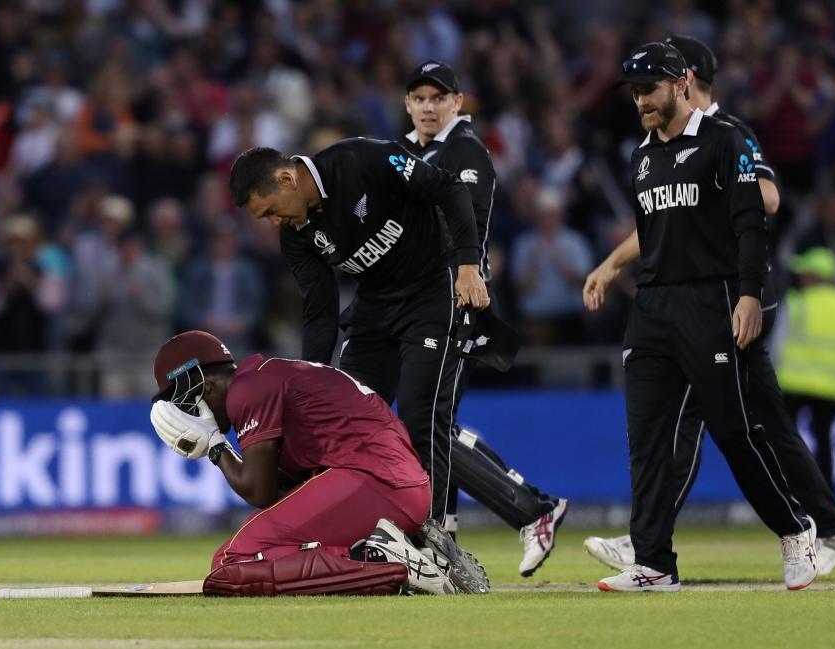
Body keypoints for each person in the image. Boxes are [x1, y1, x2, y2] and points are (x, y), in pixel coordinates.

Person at [583, 36, 835, 579]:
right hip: (654, 305)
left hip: (713, 300)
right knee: (647, 435)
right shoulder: (643, 156)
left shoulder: (725, 137)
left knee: (736, 431)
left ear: (682, 82)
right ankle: (653, 561)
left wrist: (749, 294)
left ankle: (797, 527)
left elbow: (754, 216)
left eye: (649, 89)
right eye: (634, 92)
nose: (639, 100)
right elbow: (658, 229)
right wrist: (612, 264)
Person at [227, 139, 488, 540]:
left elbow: (449, 188)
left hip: (430, 293)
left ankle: (433, 541)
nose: (273, 222)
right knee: (344, 418)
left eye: (271, 211)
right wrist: (309, 378)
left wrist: (468, 264)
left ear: (286, 178)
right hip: (373, 309)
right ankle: (353, 531)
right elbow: (320, 310)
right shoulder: (297, 236)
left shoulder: (363, 159)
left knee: (418, 415)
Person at [148, 330, 489, 596]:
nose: (182, 413)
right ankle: (408, 548)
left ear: (201, 387)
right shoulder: (268, 376)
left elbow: (257, 490)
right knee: (272, 543)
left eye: (179, 401)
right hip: (397, 488)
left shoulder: (248, 391)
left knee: (230, 563)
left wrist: (214, 447)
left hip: (375, 484)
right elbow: (278, 494)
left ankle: (383, 560)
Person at [399, 60, 567, 577]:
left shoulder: (466, 151)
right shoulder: (407, 152)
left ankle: (527, 510)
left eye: (438, 97)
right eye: (420, 97)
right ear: (408, 104)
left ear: (459, 102)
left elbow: (465, 221)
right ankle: (447, 527)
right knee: (430, 422)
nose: (429, 106)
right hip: (416, 301)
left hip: (455, 299)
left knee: (425, 421)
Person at [775, 247, 835, 491]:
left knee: (786, 442)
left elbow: (777, 345)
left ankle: (786, 492)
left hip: (793, 384)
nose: (801, 276)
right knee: (825, 444)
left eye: (805, 272)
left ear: (815, 275)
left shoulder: (796, 303)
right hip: (831, 389)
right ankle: (826, 497)